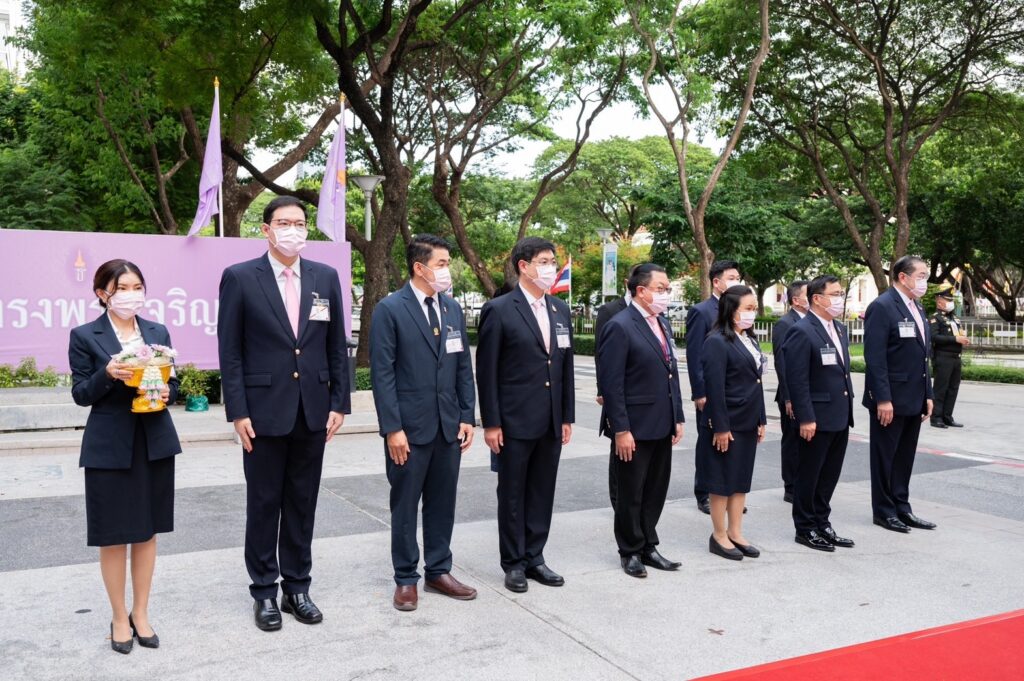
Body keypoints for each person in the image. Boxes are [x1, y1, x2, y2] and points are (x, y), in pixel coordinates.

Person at [217, 196, 350, 631]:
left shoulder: (325, 277)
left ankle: (297, 588)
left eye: (300, 222)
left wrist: (339, 402)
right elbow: (230, 351)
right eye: (283, 222)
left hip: (313, 410)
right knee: (264, 503)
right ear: (266, 229)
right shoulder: (240, 278)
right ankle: (264, 591)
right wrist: (237, 410)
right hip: (262, 412)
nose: (293, 229)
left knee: (302, 502)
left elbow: (336, 346)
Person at [69, 260, 181, 654]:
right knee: (114, 536)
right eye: (123, 287)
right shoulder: (85, 335)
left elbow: (173, 378)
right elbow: (81, 393)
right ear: (103, 293)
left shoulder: (157, 331)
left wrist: (170, 392)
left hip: (154, 440)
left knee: (147, 531)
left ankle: (141, 612)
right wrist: (109, 374)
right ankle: (119, 616)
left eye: (138, 286)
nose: (132, 294)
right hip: (109, 445)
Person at [370, 235, 477, 612]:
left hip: (448, 426)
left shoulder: (452, 310)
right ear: (420, 267)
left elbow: (463, 365)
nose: (448, 270)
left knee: (442, 502)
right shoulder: (390, 309)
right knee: (405, 504)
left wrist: (467, 415)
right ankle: (405, 578)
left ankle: (438, 570)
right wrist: (392, 429)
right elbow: (382, 375)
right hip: (409, 430)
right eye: (443, 263)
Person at [476, 236, 575, 593]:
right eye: (545, 261)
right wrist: (492, 423)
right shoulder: (500, 309)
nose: (551, 268)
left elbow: (564, 367)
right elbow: (486, 372)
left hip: (550, 420)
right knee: (513, 493)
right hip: (514, 422)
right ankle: (514, 562)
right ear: (524, 265)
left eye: (553, 261)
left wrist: (566, 416)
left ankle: (536, 556)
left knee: (542, 491)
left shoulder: (559, 310)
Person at [596, 263, 685, 578]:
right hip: (633, 425)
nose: (665, 294)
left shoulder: (661, 323)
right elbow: (612, 383)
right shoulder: (620, 325)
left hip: (662, 421)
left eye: (667, 288)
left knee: (655, 489)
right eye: (660, 288)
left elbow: (670, 371)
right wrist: (621, 428)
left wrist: (678, 416)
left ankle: (649, 543)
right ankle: (630, 550)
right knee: (631, 491)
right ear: (641, 290)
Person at [862, 255, 936, 533]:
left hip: (914, 396)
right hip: (890, 398)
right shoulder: (882, 307)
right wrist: (883, 398)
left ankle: (902, 507)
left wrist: (927, 393)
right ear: (902, 277)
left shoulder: (917, 307)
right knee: (885, 456)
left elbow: (922, 356)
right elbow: (875, 358)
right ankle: (883, 510)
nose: (924, 282)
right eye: (921, 276)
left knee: (905, 456)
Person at [782, 275, 856, 552]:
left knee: (829, 474)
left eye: (841, 293)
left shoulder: (838, 328)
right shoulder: (802, 330)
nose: (840, 299)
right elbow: (797, 379)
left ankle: (822, 522)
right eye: (835, 294)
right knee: (809, 474)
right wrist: (806, 417)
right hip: (816, 417)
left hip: (839, 413)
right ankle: (805, 527)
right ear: (817, 298)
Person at [697, 285, 766, 561]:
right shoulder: (716, 341)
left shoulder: (749, 339)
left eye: (754, 308)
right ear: (731, 310)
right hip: (727, 422)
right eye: (747, 308)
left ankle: (736, 532)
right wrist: (721, 427)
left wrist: (761, 419)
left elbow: (756, 383)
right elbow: (714, 388)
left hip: (748, 420)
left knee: (740, 481)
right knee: (721, 481)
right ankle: (719, 535)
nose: (752, 313)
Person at [685, 260, 743, 514]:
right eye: (731, 277)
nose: (736, 282)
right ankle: (705, 492)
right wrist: (700, 391)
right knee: (709, 441)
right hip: (710, 391)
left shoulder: (738, 311)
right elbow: (695, 354)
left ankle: (728, 492)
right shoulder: (702, 311)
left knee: (732, 441)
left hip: (734, 393)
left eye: (738, 277)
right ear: (716, 282)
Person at [594, 270, 636, 508]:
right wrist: (603, 388)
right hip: (617, 391)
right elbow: (601, 353)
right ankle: (617, 499)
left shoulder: (656, 312)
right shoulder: (610, 311)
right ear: (628, 283)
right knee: (618, 447)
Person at [772, 280, 808, 503]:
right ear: (796, 300)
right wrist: (788, 397)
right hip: (791, 396)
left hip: (809, 394)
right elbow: (782, 363)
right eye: (808, 293)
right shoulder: (786, 324)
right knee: (793, 441)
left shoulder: (812, 322)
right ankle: (791, 486)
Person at [929, 284, 969, 429]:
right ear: (939, 301)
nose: (951, 302)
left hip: (956, 357)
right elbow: (934, 337)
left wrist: (963, 339)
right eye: (948, 300)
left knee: (953, 388)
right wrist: (955, 340)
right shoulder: (935, 318)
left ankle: (947, 416)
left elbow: (958, 334)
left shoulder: (955, 319)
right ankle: (936, 417)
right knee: (941, 388)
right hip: (943, 357)